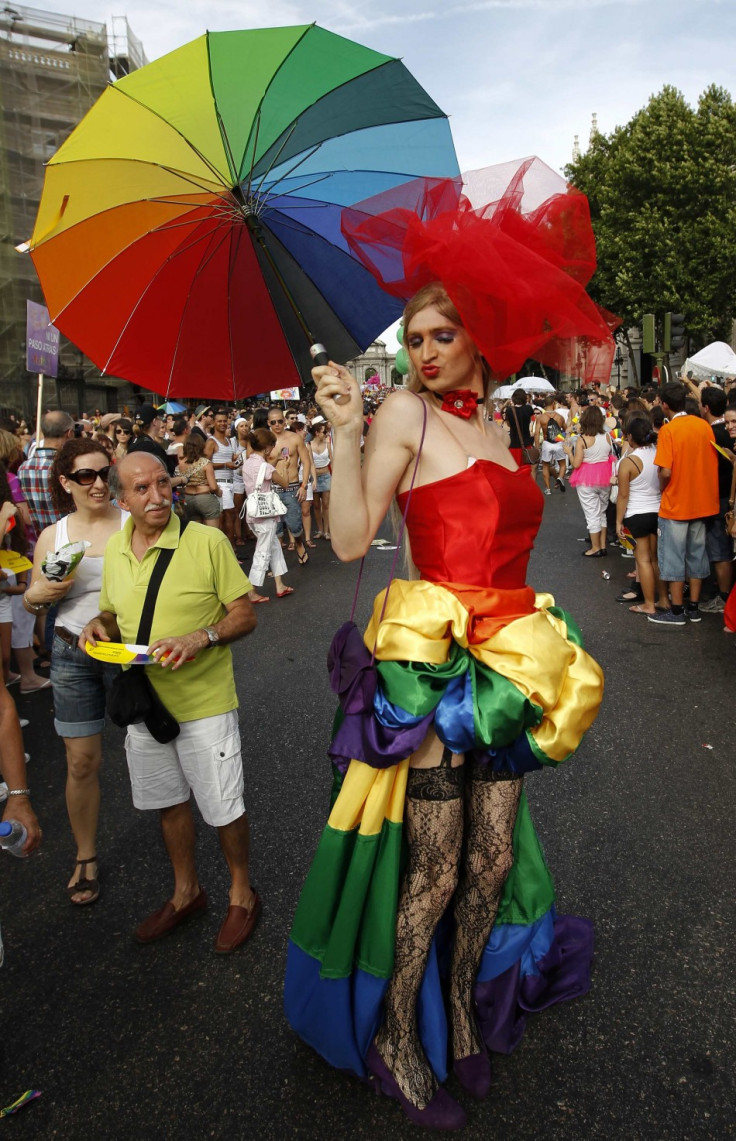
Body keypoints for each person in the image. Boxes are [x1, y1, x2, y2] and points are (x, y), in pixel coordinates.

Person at [285, 285, 605, 1128]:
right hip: (434, 667)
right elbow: (352, 539)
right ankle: (397, 1031)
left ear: (479, 340)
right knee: (433, 865)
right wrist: (349, 427)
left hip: (510, 664)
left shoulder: (499, 428)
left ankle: (459, 1007)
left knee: (490, 860)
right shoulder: (404, 416)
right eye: (415, 337)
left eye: (443, 334)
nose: (424, 351)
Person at [80, 453, 260, 952]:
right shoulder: (117, 548)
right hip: (144, 703)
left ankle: (241, 891)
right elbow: (114, 615)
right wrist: (100, 627)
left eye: (163, 483)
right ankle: (186, 892)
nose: (157, 496)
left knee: (223, 806)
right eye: (142, 489)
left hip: (204, 701)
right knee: (168, 802)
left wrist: (202, 636)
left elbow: (244, 615)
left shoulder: (207, 540)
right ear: (121, 499)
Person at [24, 440, 128, 904]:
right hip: (70, 655)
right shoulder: (55, 536)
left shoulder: (134, 524)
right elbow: (31, 599)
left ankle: (180, 848)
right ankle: (85, 855)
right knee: (82, 762)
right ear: (66, 483)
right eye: (86, 476)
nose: (99, 483)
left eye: (104, 472)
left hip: (128, 654)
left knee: (157, 750)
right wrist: (40, 594)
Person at [648, 381, 719, 626]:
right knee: (697, 556)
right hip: (703, 502)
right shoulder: (703, 426)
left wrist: (661, 485)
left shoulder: (668, 431)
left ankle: (677, 611)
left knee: (674, 557)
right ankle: (694, 608)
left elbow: (665, 471)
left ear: (664, 404)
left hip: (677, 502)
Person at [615, 416, 668, 615]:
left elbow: (623, 495)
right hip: (658, 511)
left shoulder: (628, 462)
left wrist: (618, 521)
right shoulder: (659, 453)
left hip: (636, 513)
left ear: (630, 437)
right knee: (656, 560)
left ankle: (648, 604)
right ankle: (664, 599)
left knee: (643, 560)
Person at [242, 428, 292, 601]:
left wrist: (275, 462)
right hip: (266, 516)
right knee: (263, 552)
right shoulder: (266, 467)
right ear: (268, 447)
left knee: (274, 548)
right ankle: (251, 590)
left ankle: (280, 585)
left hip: (252, 511)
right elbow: (285, 483)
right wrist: (284, 466)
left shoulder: (247, 463)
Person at [699, 386, 734, 613]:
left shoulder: (713, 433)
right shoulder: (723, 431)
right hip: (725, 498)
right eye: (729, 422)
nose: (731, 427)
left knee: (721, 550)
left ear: (706, 407)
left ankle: (724, 598)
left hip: (721, 499)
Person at [564, 405, 614, 557]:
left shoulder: (582, 439)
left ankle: (595, 547)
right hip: (605, 476)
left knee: (592, 513)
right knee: (602, 512)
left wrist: (568, 452)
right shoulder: (607, 436)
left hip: (586, 478)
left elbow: (576, 464)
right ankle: (603, 545)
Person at [18, 410, 75, 534]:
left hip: (40, 540)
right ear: (69, 433)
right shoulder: (68, 467)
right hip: (70, 538)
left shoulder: (23, 468)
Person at [266, 407, 310, 565]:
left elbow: (306, 461)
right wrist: (276, 458)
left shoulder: (294, 438)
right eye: (273, 422)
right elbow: (262, 465)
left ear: (284, 421)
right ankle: (277, 561)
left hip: (292, 487)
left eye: (280, 421)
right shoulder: (265, 441)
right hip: (272, 488)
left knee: (294, 524)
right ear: (268, 423)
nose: (277, 424)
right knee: (275, 528)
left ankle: (299, 544)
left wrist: (303, 485)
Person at [177, 433, 222, 527]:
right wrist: (219, 492)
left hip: (188, 499)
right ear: (201, 445)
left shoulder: (181, 464)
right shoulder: (206, 463)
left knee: (195, 531)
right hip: (204, 498)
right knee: (212, 533)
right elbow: (213, 487)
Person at [209, 409, 239, 550]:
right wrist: (225, 464)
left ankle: (230, 549)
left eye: (224, 421)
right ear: (214, 423)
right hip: (220, 484)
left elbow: (229, 458)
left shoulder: (227, 440)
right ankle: (230, 549)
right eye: (219, 421)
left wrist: (235, 460)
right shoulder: (211, 441)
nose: (222, 423)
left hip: (230, 482)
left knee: (230, 516)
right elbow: (205, 464)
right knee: (228, 515)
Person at [535, 395, 567, 494]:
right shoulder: (560, 417)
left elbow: (536, 433)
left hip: (546, 443)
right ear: (553, 404)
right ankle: (560, 478)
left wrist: (537, 447)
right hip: (558, 443)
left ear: (545, 405)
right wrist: (563, 439)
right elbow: (566, 430)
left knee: (545, 466)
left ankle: (548, 489)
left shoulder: (541, 417)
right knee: (562, 464)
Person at [309, 418, 333, 539]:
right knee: (316, 505)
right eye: (324, 432)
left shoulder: (328, 443)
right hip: (314, 477)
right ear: (317, 433)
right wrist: (314, 479)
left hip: (326, 475)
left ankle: (327, 531)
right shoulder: (309, 445)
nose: (326, 434)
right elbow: (310, 463)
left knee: (326, 504)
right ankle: (319, 530)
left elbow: (332, 461)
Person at [504, 389, 534, 469]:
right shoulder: (528, 408)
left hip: (514, 443)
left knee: (515, 469)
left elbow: (508, 424)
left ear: (513, 398)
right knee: (526, 469)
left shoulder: (510, 410)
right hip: (527, 443)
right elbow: (531, 420)